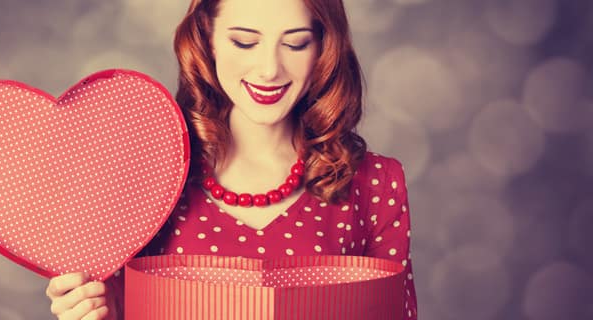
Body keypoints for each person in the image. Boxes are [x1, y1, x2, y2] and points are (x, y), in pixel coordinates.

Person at [46, 0, 418, 318]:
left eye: (296, 43)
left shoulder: (375, 182)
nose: (269, 69)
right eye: (244, 41)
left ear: (323, 46)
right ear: (207, 38)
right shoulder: (144, 173)